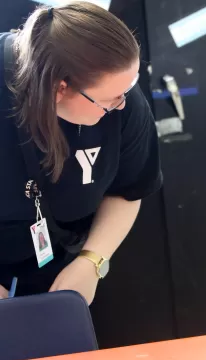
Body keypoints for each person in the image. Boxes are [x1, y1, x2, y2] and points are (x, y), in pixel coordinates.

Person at [0, 2, 162, 304]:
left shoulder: (122, 99)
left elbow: (128, 189)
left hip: (61, 259)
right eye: (109, 100)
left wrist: (92, 261)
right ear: (59, 88)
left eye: (129, 88)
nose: (122, 104)